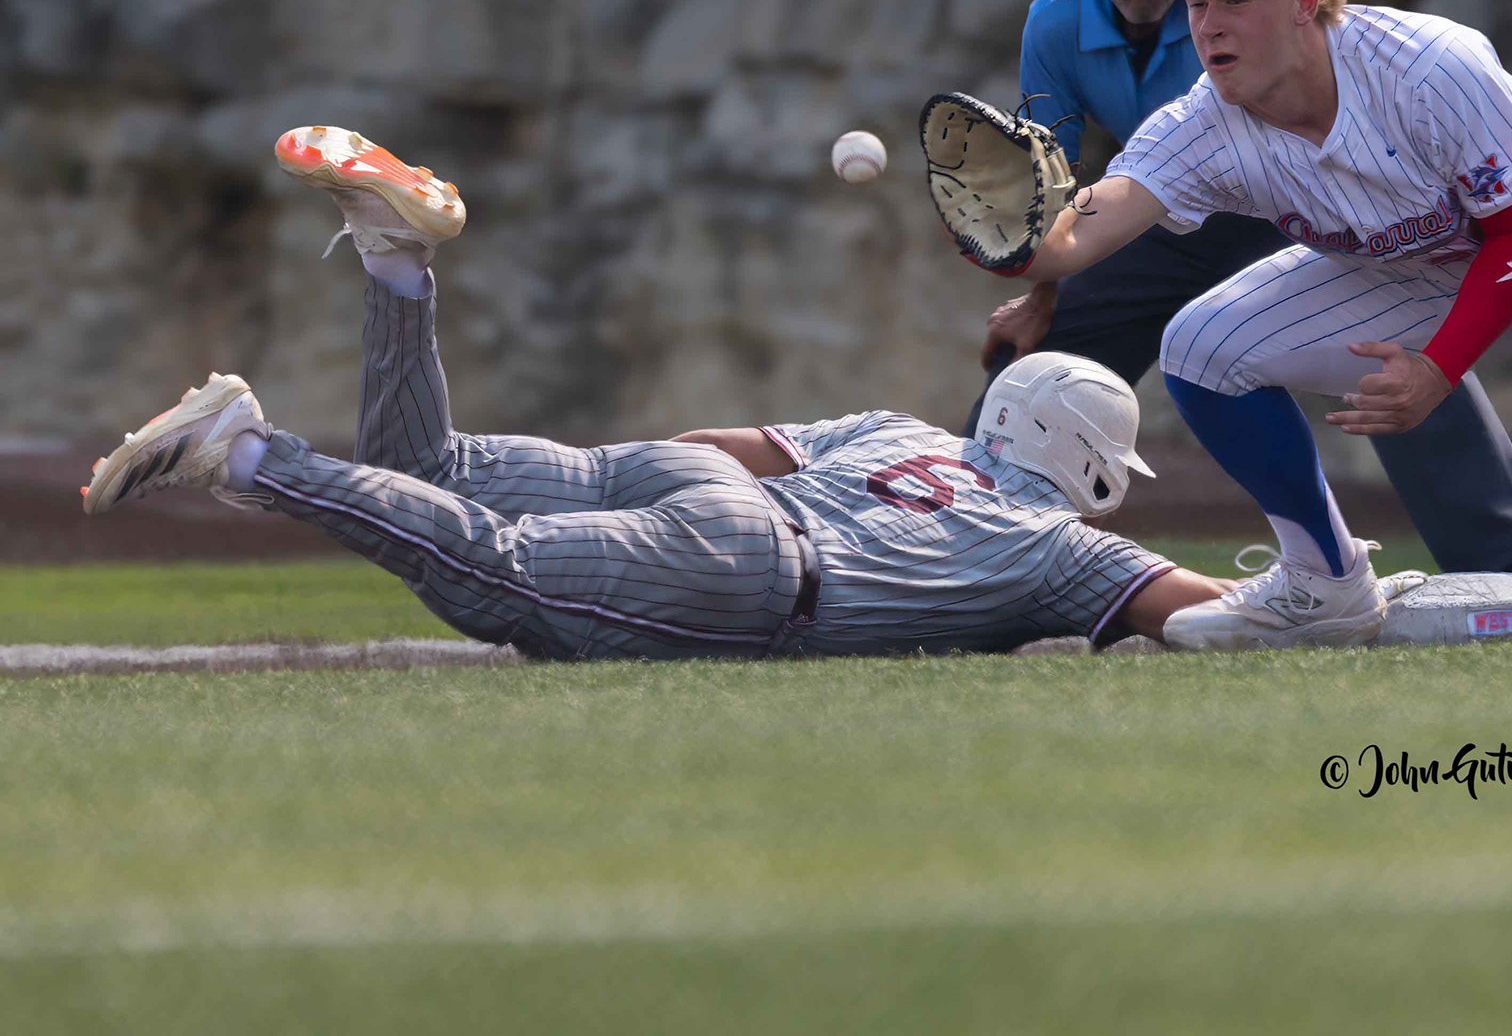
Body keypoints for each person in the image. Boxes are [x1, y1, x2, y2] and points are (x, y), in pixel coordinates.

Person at [80, 128, 1239, 660]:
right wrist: (1326, 582)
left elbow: (719, 442)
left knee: (427, 472)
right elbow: (1210, 613)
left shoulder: (902, 429)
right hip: (756, 569)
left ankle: (394, 266)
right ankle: (248, 453)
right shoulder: (1058, 543)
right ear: (1088, 460)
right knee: (496, 574)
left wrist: (630, 491)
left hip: (702, 480)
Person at [976, 0, 1512, 649]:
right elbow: (1077, 236)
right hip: (1417, 257)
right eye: (1196, 3)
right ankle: (1324, 581)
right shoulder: (1199, 125)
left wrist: (1437, 369)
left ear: (1305, 1)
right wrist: (1010, 236)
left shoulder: (1425, 63)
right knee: (1199, 348)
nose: (1209, 24)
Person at [970, 0, 1512, 579]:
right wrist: (1030, 277)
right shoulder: (1057, 20)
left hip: (1287, 202)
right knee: (1043, 345)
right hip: (1163, 205)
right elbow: (1056, 191)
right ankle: (978, 535)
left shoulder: (1239, 14)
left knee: (1377, 334)